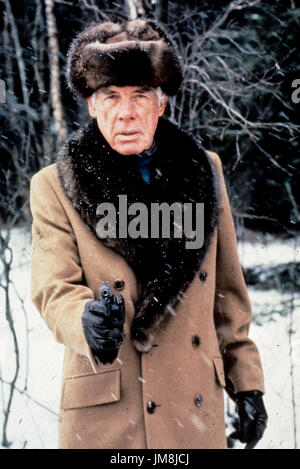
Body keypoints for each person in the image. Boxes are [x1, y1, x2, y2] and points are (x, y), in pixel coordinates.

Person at [30, 18, 267, 450]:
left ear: (160, 105)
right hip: (107, 412)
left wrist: (247, 382)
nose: (126, 112)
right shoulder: (55, 184)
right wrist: (84, 320)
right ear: (91, 105)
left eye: (140, 96)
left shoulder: (205, 172)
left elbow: (227, 293)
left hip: (191, 406)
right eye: (111, 97)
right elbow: (53, 289)